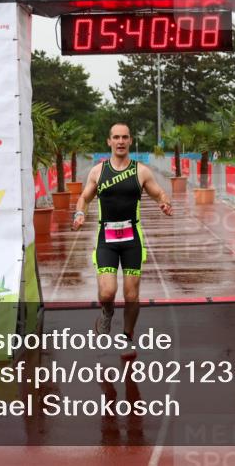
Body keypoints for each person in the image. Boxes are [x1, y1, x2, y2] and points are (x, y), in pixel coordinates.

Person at [72, 123, 173, 346]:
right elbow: (85, 198)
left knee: (131, 296)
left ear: (130, 141)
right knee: (107, 292)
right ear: (109, 141)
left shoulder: (141, 171)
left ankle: (127, 336)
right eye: (116, 137)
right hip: (106, 239)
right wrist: (80, 213)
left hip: (132, 240)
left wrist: (164, 203)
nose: (120, 141)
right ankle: (107, 314)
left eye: (124, 137)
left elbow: (159, 193)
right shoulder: (98, 171)